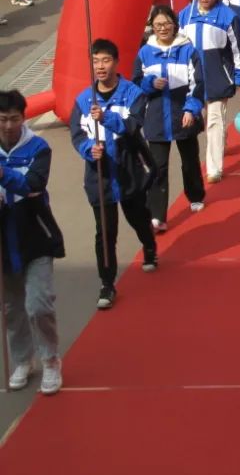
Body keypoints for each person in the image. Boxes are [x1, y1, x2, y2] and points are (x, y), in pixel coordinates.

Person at [69, 38, 158, 310]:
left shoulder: (133, 93)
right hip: (100, 175)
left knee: (137, 217)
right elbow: (77, 135)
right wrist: (89, 149)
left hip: (129, 168)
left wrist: (106, 118)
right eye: (95, 61)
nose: (100, 66)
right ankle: (107, 283)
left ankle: (149, 245)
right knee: (105, 232)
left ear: (117, 63)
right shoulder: (83, 100)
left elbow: (133, 125)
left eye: (106, 60)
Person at [0, 89, 65, 395]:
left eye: (14, 119)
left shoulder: (38, 148)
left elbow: (33, 184)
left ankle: (50, 359)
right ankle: (23, 360)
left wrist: (2, 174)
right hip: (4, 240)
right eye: (2, 119)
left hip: (36, 235)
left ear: (23, 118)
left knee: (38, 304)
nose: (8, 126)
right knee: (12, 308)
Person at [133, 5, 206, 231]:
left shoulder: (188, 50)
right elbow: (136, 83)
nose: (163, 28)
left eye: (166, 24)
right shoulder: (144, 52)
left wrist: (191, 109)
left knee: (190, 160)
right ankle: (157, 215)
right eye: (158, 25)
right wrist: (149, 84)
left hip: (182, 113)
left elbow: (198, 83)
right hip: (156, 117)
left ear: (174, 25)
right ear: (152, 27)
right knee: (158, 167)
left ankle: (195, 195)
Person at [179, 0, 240, 184]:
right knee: (201, 118)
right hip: (192, 80)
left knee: (214, 120)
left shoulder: (228, 16)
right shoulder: (185, 15)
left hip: (218, 77)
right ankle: (222, 139)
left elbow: (238, 50)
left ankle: (214, 168)